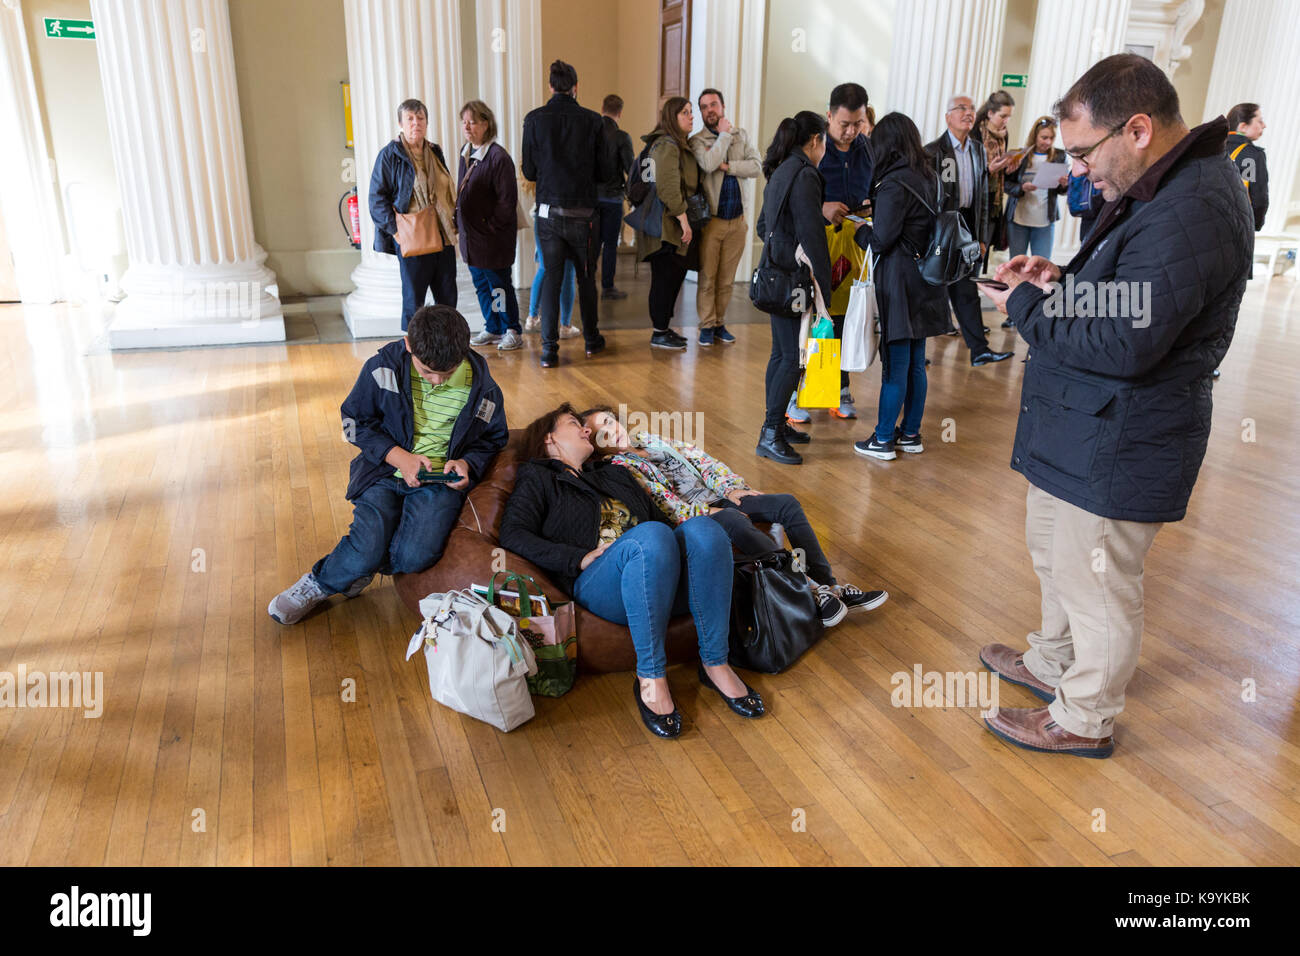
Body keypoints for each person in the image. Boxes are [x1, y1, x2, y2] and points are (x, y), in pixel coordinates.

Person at [979, 54, 1254, 758]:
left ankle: (1084, 715)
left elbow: (1128, 341)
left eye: (1081, 153)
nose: (1075, 171)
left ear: (1135, 130)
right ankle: (1051, 663)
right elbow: (1128, 291)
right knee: (1055, 552)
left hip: (1128, 431)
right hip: (1088, 424)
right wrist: (1058, 278)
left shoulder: (1196, 204)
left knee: (1097, 577)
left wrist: (1033, 305)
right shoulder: (1164, 185)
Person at [499, 405, 764, 739]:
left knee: (705, 530)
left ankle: (715, 663)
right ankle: (651, 678)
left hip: (658, 574)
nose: (585, 430)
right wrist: (578, 558)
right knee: (650, 536)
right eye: (573, 424)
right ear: (549, 439)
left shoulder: (614, 473)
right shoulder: (539, 478)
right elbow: (513, 535)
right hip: (602, 584)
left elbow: (665, 522)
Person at [268, 305, 508, 625]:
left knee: (415, 557)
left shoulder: (483, 388)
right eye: (427, 372)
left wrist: (468, 463)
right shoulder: (382, 368)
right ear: (409, 345)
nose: (437, 381)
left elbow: (494, 438)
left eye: (447, 374)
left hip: (439, 481)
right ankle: (320, 581)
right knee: (368, 542)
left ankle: (360, 566)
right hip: (382, 472)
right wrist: (399, 457)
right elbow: (352, 423)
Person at [581, 406, 888, 626]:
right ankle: (808, 589)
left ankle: (830, 585)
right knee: (732, 521)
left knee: (786, 503)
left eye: (611, 421)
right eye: (601, 433)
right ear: (596, 446)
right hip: (693, 519)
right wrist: (710, 510)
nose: (612, 431)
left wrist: (731, 488)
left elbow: (703, 461)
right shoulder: (621, 468)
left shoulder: (650, 440)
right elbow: (666, 505)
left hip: (719, 498)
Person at [849, 113, 953, 462]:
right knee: (914, 364)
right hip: (928, 279)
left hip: (900, 281)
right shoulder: (932, 177)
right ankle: (909, 434)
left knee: (896, 364)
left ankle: (881, 440)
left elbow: (881, 240)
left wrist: (860, 229)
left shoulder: (893, 183)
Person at [787, 82, 874, 425]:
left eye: (858, 123)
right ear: (828, 116)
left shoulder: (866, 147)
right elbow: (793, 195)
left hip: (853, 240)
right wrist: (821, 208)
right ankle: (796, 392)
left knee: (843, 317)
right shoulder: (812, 147)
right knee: (811, 318)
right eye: (844, 124)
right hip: (816, 241)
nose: (851, 131)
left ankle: (836, 390)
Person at [521, 60, 614, 368]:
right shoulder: (593, 121)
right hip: (584, 215)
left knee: (551, 277)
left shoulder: (534, 120)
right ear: (577, 86)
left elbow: (529, 170)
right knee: (587, 279)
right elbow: (604, 171)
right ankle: (591, 341)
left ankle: (549, 351)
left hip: (548, 215)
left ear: (550, 86)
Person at [755, 111, 833, 466]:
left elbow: (763, 226)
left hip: (775, 274)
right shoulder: (805, 174)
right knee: (790, 357)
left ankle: (777, 427)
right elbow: (812, 235)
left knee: (779, 353)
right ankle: (770, 433)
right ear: (815, 140)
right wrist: (825, 285)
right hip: (795, 279)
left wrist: (779, 249)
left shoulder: (782, 169)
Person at [925, 94, 1013, 367]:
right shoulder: (931, 152)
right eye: (961, 108)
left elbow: (984, 198)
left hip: (968, 227)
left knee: (966, 291)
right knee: (931, 292)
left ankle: (980, 350)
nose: (969, 113)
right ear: (948, 116)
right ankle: (917, 353)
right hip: (942, 229)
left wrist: (982, 238)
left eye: (972, 109)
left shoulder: (976, 149)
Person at [368, 99, 458, 331]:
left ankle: (448, 348)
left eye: (420, 119)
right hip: (412, 238)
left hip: (443, 237)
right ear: (400, 123)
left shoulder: (434, 151)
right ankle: (413, 354)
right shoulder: (390, 155)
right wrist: (397, 233)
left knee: (448, 299)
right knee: (414, 303)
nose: (415, 123)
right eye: (410, 119)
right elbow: (376, 200)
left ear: (427, 122)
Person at [689, 87, 762, 346]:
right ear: (701, 112)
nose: (710, 110)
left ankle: (720, 323)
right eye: (705, 107)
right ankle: (707, 325)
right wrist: (722, 137)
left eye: (714, 105)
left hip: (738, 221)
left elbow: (756, 166)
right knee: (708, 277)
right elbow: (708, 164)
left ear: (723, 107)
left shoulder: (740, 135)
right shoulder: (697, 141)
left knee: (727, 279)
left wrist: (729, 166)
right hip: (713, 222)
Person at [633, 96, 700, 351]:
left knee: (673, 276)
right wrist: (684, 222)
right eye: (685, 112)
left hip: (670, 222)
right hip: (666, 224)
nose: (691, 116)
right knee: (664, 277)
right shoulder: (667, 145)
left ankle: (663, 328)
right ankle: (659, 331)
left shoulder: (676, 144)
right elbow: (668, 187)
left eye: (691, 112)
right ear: (673, 117)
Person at [456, 100, 523, 352]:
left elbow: (507, 202)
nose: (467, 127)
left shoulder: (498, 157)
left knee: (499, 286)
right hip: (472, 239)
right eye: (464, 122)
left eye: (472, 122)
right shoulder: (466, 151)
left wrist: (491, 227)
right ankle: (493, 326)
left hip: (492, 239)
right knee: (482, 285)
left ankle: (512, 329)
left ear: (486, 124)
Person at [1002, 115, 1068, 260]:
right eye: (1044, 137)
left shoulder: (1059, 156)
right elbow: (1005, 184)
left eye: (1051, 138)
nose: (1048, 142)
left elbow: (1061, 190)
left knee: (1042, 266)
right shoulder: (1020, 155)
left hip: (1044, 219)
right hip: (1019, 219)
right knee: (1017, 263)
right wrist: (1021, 188)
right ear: (1035, 136)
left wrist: (1064, 185)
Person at [521, 176, 580, 338]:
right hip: (568, 214)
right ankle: (565, 325)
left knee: (545, 267)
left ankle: (532, 316)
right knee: (568, 271)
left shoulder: (544, 158)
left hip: (543, 214)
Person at [596, 94, 635, 300]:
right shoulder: (622, 137)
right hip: (612, 198)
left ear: (602, 107)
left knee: (592, 243)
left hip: (591, 199)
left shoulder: (590, 134)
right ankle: (608, 287)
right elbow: (631, 169)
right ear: (620, 112)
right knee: (610, 244)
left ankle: (587, 282)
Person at [974, 90, 1017, 273]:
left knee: (985, 247)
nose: (1006, 121)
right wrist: (989, 169)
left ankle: (974, 282)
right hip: (976, 199)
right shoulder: (975, 132)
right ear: (990, 113)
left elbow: (1000, 172)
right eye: (1003, 116)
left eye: (1009, 116)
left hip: (994, 199)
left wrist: (1009, 167)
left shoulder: (1003, 135)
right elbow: (968, 170)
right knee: (974, 247)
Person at [1225, 102, 1269, 232]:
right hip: (1238, 226)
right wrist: (1256, 225)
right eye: (1260, 121)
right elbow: (1259, 199)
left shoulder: (1212, 149)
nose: (1264, 126)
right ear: (1243, 127)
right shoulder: (1253, 155)